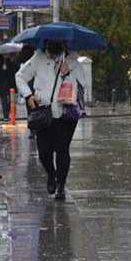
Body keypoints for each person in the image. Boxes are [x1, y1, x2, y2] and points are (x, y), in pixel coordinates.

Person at [16, 39, 86, 201]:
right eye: (50, 44)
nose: (52, 48)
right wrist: (28, 95)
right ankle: (51, 174)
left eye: (57, 44)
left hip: (66, 114)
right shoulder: (38, 58)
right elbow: (20, 76)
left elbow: (82, 84)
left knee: (62, 150)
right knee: (44, 153)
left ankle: (61, 186)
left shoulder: (72, 61)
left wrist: (68, 73)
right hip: (44, 112)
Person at [0, 53, 18, 119]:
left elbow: (15, 70)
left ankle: (8, 112)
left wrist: (13, 62)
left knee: (10, 101)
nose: (6, 55)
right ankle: (5, 115)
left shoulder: (10, 62)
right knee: (4, 100)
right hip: (2, 85)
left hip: (10, 84)